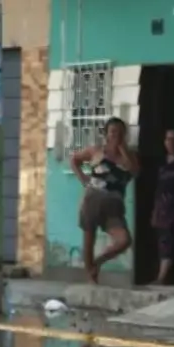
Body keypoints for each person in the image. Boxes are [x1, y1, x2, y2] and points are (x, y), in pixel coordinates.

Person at [71, 117, 139, 283]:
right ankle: (91, 276)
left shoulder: (130, 156)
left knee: (124, 240)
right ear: (106, 134)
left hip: (114, 205)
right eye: (113, 132)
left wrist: (122, 150)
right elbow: (74, 160)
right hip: (93, 198)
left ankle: (98, 262)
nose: (116, 136)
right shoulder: (97, 151)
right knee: (89, 237)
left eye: (120, 133)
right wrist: (83, 178)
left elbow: (135, 171)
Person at [151, 129, 174, 285]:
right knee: (164, 241)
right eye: (167, 139)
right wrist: (155, 210)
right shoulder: (160, 164)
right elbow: (157, 189)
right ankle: (161, 276)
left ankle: (167, 276)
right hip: (162, 208)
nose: (170, 142)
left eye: (173, 139)